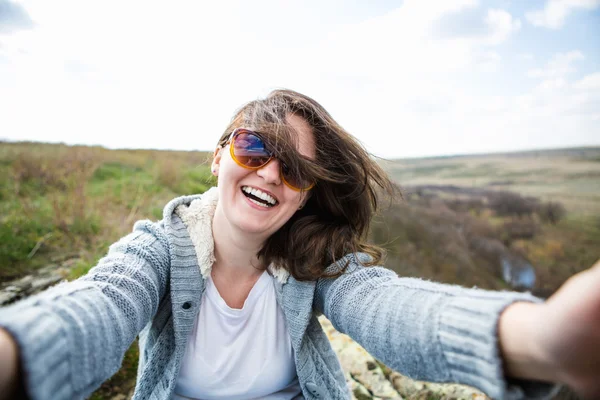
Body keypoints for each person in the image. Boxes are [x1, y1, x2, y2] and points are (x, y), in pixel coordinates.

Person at [0, 89, 599, 400]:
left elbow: (395, 311)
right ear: (218, 157)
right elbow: (99, 306)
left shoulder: (315, 261)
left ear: (309, 194)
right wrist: (14, 353)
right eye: (254, 150)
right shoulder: (157, 250)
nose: (268, 175)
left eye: (295, 171)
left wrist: (541, 340)